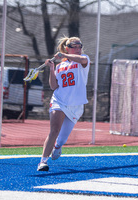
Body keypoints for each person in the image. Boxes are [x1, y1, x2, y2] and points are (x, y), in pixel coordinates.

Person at [37, 36, 90, 171]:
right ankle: (43, 161)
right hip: (59, 101)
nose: (78, 49)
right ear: (67, 48)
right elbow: (54, 86)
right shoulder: (61, 66)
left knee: (61, 139)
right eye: (74, 47)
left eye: (79, 46)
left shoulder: (83, 60)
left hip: (76, 105)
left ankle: (58, 146)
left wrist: (64, 55)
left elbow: (81, 59)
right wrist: (51, 69)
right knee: (54, 130)